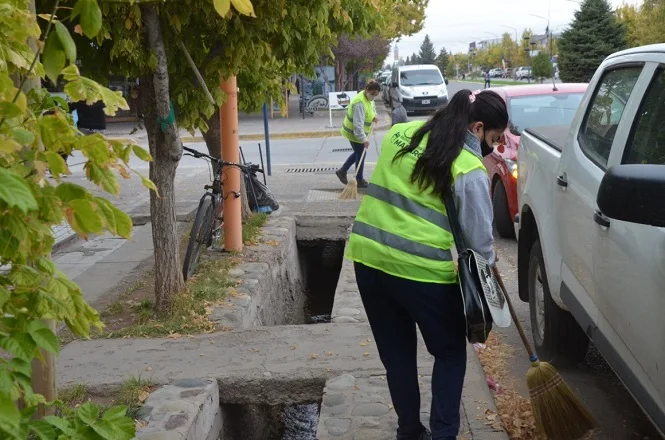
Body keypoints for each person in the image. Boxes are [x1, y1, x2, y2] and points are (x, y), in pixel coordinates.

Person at [345, 89, 508, 440]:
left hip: (368, 261)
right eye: (492, 140)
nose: (491, 149)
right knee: (449, 353)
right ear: (477, 128)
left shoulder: (401, 133)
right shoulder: (468, 168)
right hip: (421, 274)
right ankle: (443, 435)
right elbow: (480, 246)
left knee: (398, 356)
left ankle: (409, 431)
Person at [336, 81, 382, 188]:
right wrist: (364, 139)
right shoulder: (359, 103)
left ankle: (343, 171)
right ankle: (359, 179)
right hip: (354, 133)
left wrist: (374, 116)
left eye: (375, 95)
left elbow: (372, 108)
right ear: (367, 90)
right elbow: (357, 125)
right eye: (372, 94)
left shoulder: (368, 98)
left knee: (359, 153)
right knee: (361, 154)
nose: (373, 97)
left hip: (358, 132)